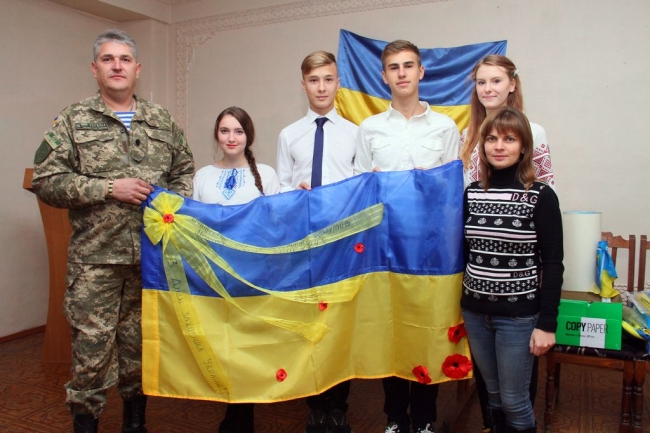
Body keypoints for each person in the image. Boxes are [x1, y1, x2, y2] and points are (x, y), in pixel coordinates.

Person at [31, 29, 195, 433]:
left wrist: (169, 205)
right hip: (96, 262)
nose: (117, 66)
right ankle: (86, 423)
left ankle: (135, 424)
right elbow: (46, 181)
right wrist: (107, 188)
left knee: (140, 348)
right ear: (94, 69)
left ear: (137, 69)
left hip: (150, 258)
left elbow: (184, 171)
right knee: (91, 353)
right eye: (108, 59)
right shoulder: (73, 120)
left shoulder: (161, 119)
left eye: (124, 59)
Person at [354, 40, 460, 433]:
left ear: (421, 72)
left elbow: (453, 192)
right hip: (384, 246)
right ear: (384, 76)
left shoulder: (445, 127)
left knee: (428, 329)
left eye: (408, 65)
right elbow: (359, 189)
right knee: (391, 329)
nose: (402, 73)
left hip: (431, 249)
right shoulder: (370, 128)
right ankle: (395, 418)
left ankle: (426, 419)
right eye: (394, 67)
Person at [458, 54, 555, 433]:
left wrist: (545, 315)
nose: (488, 89)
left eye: (496, 81)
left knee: (515, 392)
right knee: (492, 389)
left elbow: (543, 195)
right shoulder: (466, 136)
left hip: (519, 290)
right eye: (481, 82)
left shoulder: (534, 131)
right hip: (478, 285)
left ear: (512, 84)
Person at [276, 50, 357, 433]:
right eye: (313, 80)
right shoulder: (289, 134)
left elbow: (362, 188)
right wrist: (295, 193)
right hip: (304, 243)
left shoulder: (355, 133)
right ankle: (315, 404)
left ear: (337, 83)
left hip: (342, 245)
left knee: (339, 324)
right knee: (308, 324)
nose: (321, 87)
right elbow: (279, 188)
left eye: (328, 79)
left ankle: (338, 406)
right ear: (303, 84)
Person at [193, 106, 279, 433]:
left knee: (247, 344)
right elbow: (192, 222)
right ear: (217, 135)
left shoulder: (267, 175)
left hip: (252, 276)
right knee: (221, 344)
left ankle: (242, 414)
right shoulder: (202, 176)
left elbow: (276, 223)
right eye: (225, 131)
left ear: (248, 136)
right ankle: (233, 406)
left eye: (238, 131)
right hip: (213, 275)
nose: (231, 138)